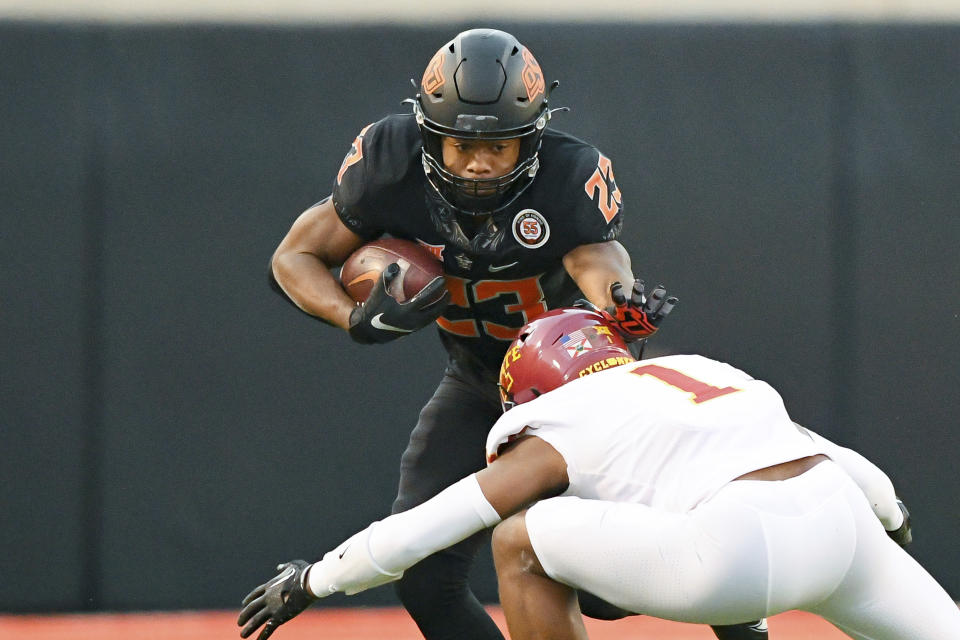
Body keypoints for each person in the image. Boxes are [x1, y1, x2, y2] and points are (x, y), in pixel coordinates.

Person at [267, 26, 772, 640]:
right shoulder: (389, 165)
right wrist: (351, 317)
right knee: (424, 576)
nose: (479, 162)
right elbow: (294, 256)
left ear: (530, 139)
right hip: (481, 383)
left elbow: (597, 257)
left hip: (581, 388)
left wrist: (619, 303)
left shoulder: (568, 174)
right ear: (428, 135)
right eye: (460, 145)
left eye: (499, 146)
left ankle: (743, 619)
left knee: (607, 590)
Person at [238, 307, 960, 640]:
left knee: (520, 539)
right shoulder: (698, 371)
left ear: (533, 390)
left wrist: (316, 580)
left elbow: (435, 522)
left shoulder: (559, 421)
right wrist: (891, 529)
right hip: (842, 520)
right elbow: (865, 479)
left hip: (739, 550)